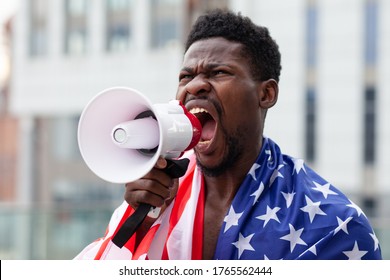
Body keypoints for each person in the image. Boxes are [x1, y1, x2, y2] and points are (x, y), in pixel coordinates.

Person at [75, 9, 382, 260]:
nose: (194, 86)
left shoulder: (331, 225)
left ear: (266, 93)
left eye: (218, 72)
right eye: (186, 76)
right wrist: (139, 226)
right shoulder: (160, 194)